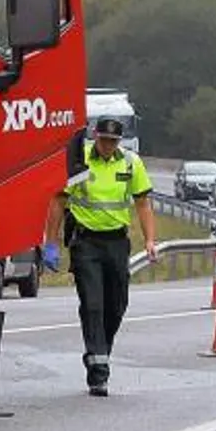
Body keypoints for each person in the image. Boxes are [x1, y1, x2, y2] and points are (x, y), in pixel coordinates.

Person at [45, 116, 156, 397]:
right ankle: (98, 371)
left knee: (116, 305)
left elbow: (143, 203)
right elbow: (59, 201)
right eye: (104, 140)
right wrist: (52, 243)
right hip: (86, 242)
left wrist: (151, 239)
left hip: (117, 242)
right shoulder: (80, 160)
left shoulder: (130, 163)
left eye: (113, 141)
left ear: (119, 142)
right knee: (92, 303)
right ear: (95, 137)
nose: (107, 146)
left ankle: (100, 350)